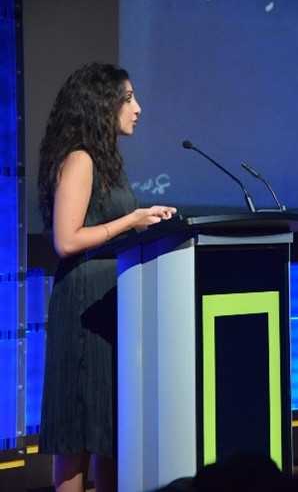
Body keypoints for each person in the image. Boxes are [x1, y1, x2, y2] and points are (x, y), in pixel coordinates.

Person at [37, 62, 177, 492]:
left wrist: (147, 222)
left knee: (109, 430)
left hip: (111, 299)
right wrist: (130, 221)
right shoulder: (79, 159)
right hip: (84, 303)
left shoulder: (105, 159)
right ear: (102, 105)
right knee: (79, 431)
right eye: (128, 98)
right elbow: (66, 239)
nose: (138, 108)